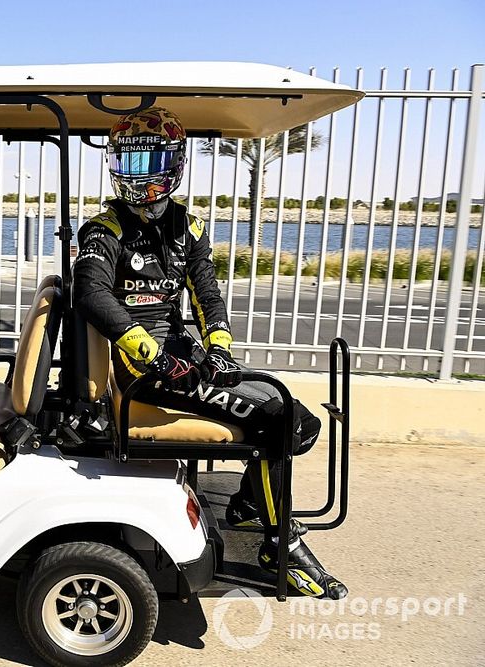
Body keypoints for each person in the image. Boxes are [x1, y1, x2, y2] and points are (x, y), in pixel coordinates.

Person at [73, 108, 347, 599]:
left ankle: (249, 504)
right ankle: (278, 543)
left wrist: (218, 347)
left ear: (174, 162)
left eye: (151, 160)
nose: (140, 175)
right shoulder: (103, 228)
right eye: (130, 162)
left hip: (186, 358)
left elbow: (207, 295)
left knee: (299, 421)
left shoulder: (190, 228)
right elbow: (91, 296)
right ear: (115, 164)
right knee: (282, 418)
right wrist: (151, 352)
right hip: (146, 369)